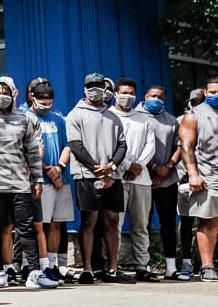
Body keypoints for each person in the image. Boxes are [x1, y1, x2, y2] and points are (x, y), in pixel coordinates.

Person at [0, 77, 54, 289]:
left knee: (26, 228)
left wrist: (37, 179)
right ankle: (1, 271)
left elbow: (31, 150)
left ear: (13, 93)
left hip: (20, 182)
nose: (1, 96)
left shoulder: (24, 118)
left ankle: (34, 272)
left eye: (5, 92)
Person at [66, 73, 132, 284]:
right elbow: (75, 146)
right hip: (87, 175)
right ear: (84, 88)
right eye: (91, 85)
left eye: (99, 85)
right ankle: (88, 269)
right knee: (89, 221)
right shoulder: (75, 114)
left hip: (113, 174)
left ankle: (112, 268)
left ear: (105, 88)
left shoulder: (113, 116)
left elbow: (122, 144)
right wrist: (97, 169)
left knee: (112, 220)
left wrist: (110, 166)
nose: (95, 89)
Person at [26, 79, 76, 280]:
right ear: (33, 98)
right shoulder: (27, 118)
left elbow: (67, 146)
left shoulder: (58, 119)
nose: (46, 106)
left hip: (60, 179)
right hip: (41, 179)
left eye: (49, 103)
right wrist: (47, 170)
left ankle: (54, 264)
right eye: (42, 102)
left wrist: (60, 168)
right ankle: (42, 263)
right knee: (41, 224)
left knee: (57, 223)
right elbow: (29, 150)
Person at [110, 78, 158, 281]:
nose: (127, 96)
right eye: (123, 92)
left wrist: (138, 166)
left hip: (141, 178)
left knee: (141, 225)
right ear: (114, 94)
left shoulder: (143, 118)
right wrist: (128, 165)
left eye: (131, 93)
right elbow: (110, 146)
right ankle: (113, 265)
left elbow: (150, 145)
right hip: (117, 177)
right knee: (115, 224)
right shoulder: (109, 117)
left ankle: (142, 265)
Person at [142, 85, 185, 280]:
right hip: (142, 179)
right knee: (144, 223)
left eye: (160, 96)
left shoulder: (171, 120)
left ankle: (170, 267)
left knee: (168, 223)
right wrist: (153, 168)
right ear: (145, 96)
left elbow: (180, 146)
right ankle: (145, 265)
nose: (156, 99)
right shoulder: (136, 116)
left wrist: (167, 168)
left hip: (167, 180)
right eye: (153, 96)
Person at [178, 77, 218, 282]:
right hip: (208, 177)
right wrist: (193, 173)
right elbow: (186, 146)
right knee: (209, 221)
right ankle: (207, 266)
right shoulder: (194, 116)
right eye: (212, 92)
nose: (215, 95)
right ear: (205, 92)